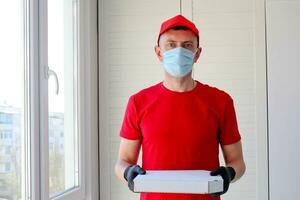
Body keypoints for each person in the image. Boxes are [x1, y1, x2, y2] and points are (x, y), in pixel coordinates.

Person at [115, 14, 246, 200]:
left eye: (187, 45)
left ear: (197, 53)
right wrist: (128, 173)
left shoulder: (221, 101)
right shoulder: (138, 102)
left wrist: (229, 174)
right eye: (170, 45)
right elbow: (122, 162)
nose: (178, 51)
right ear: (159, 52)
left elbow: (238, 162)